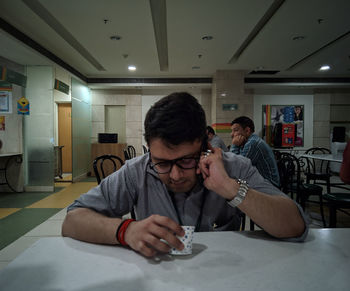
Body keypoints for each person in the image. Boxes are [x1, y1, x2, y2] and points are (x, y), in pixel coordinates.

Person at [62, 92, 307, 258]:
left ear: (204, 145)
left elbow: (296, 226)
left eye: (187, 160)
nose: (176, 175)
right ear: (149, 150)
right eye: (162, 163)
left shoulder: (234, 167)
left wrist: (231, 188)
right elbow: (72, 220)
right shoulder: (136, 171)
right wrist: (125, 230)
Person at [230, 116, 280, 187]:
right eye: (231, 131)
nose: (231, 134)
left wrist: (234, 145)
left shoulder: (253, 143)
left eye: (235, 130)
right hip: (261, 182)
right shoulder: (247, 142)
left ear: (247, 130)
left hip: (269, 186)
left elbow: (237, 169)